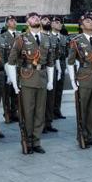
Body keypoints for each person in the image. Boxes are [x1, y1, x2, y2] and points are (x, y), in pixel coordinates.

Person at [7, 12, 54, 154]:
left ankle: (36, 141)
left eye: (37, 17)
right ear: (27, 23)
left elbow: (50, 62)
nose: (36, 19)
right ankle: (27, 140)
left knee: (40, 112)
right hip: (27, 78)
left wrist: (51, 80)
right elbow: (11, 62)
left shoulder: (47, 38)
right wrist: (15, 84)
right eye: (32, 18)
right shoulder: (21, 39)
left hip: (42, 77)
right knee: (28, 112)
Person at [67, 12, 92, 148]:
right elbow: (71, 62)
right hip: (83, 76)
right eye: (88, 21)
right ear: (82, 25)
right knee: (82, 109)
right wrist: (73, 80)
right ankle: (82, 137)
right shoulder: (76, 40)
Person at [40, 15, 60, 133]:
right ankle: (40, 124)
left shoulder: (53, 37)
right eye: (44, 20)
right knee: (41, 99)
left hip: (51, 70)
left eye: (48, 20)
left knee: (50, 98)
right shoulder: (38, 36)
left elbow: (55, 55)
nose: (47, 21)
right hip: (41, 70)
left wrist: (59, 70)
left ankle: (48, 122)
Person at [1, 15, 20, 122]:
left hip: (18, 69)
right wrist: (8, 73)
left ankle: (14, 112)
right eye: (11, 21)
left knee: (15, 92)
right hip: (7, 68)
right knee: (6, 93)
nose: (14, 22)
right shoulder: (3, 37)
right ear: (7, 23)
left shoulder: (20, 35)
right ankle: (7, 114)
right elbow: (3, 56)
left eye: (15, 21)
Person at [51, 16, 68, 120]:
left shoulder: (64, 38)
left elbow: (66, 52)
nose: (59, 24)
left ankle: (57, 110)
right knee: (52, 88)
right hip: (52, 64)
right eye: (57, 22)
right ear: (52, 24)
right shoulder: (48, 37)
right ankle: (50, 111)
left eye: (60, 23)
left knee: (59, 89)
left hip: (61, 63)